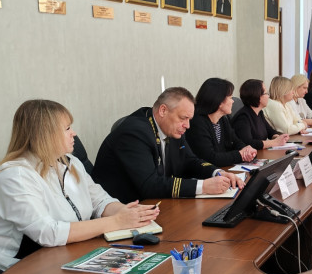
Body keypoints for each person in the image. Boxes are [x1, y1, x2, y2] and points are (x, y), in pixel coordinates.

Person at [0, 100, 160, 271]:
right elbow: (47, 233)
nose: (74, 133)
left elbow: (99, 200)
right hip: (11, 270)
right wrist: (116, 222)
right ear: (45, 135)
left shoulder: (69, 162)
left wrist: (128, 213)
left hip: (62, 257)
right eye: (67, 128)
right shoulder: (15, 176)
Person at [92, 87, 242, 203]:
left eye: (189, 119)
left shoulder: (171, 128)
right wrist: (203, 187)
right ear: (163, 110)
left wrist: (216, 173)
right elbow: (150, 185)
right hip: (124, 209)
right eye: (183, 118)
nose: (187, 126)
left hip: (155, 204)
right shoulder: (134, 132)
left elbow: (190, 161)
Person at [185, 78, 256, 167]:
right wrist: (240, 155)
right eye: (230, 98)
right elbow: (211, 158)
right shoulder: (197, 122)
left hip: (222, 170)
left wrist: (246, 149)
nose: (233, 101)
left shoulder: (222, 119)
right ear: (219, 102)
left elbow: (236, 141)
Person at [232, 79, 290, 150]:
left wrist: (277, 137)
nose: (268, 96)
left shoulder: (259, 113)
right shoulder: (243, 117)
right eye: (266, 93)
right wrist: (274, 142)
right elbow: (248, 143)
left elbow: (270, 131)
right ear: (257, 96)